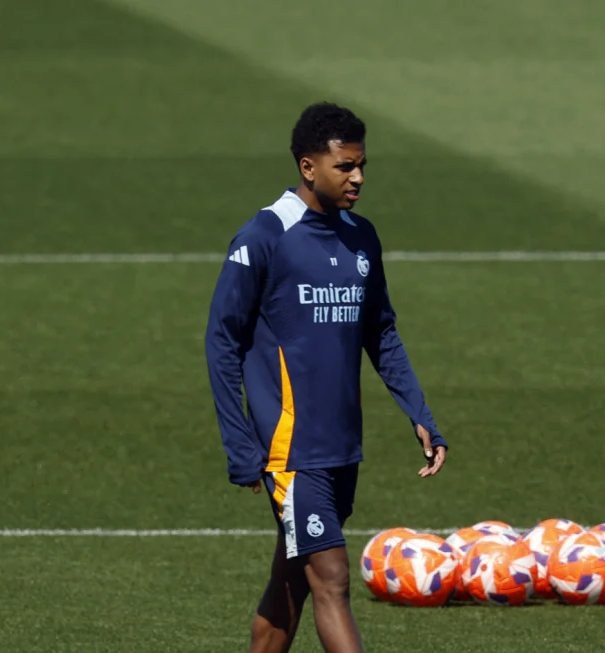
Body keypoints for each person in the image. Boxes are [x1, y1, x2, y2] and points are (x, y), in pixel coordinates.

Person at [204, 102, 448, 653]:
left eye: (362, 165)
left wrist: (420, 415)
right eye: (345, 166)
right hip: (291, 447)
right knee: (331, 580)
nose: (358, 177)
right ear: (309, 167)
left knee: (291, 582)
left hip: (341, 446)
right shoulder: (265, 236)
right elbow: (222, 340)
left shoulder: (362, 238)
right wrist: (240, 442)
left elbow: (381, 333)